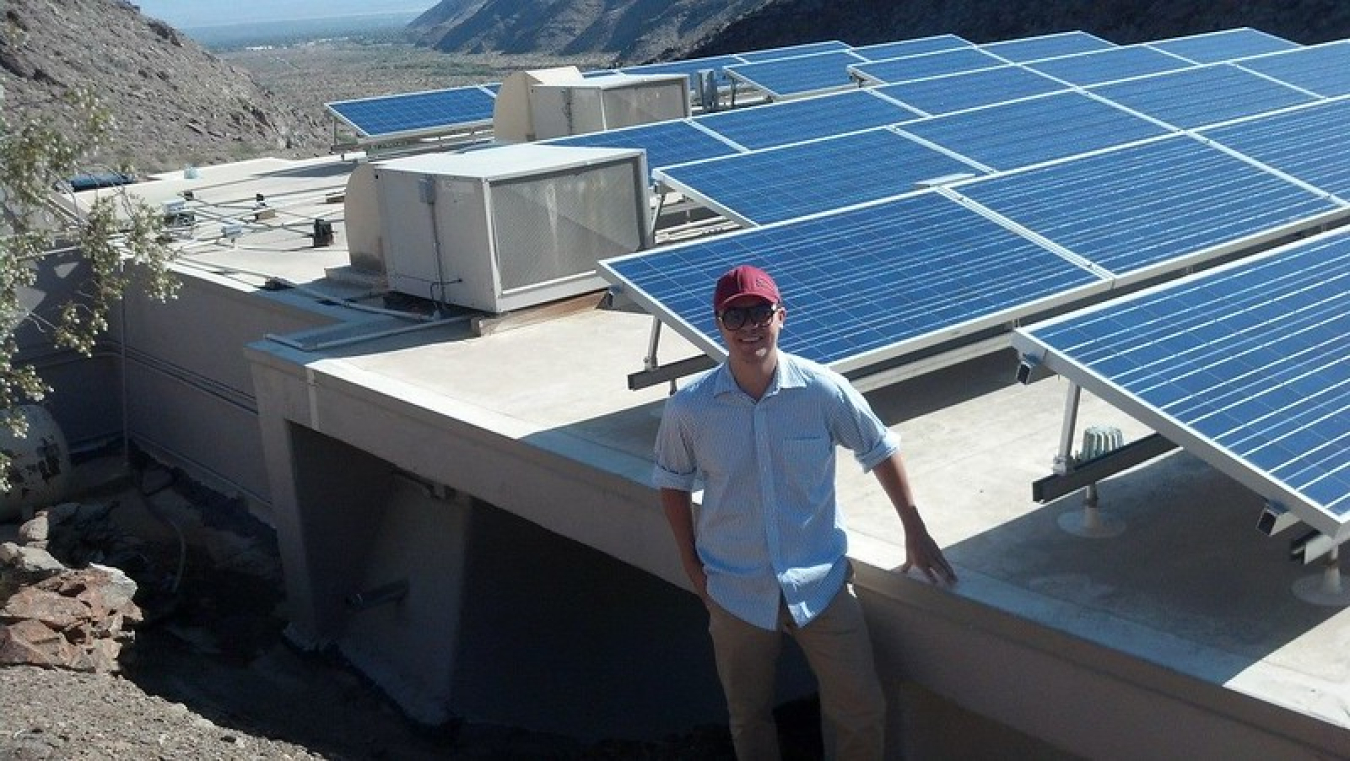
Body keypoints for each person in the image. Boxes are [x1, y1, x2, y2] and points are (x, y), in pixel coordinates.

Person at [653, 264, 957, 760]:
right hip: (735, 590)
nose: (750, 325)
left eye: (760, 312)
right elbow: (670, 482)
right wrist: (691, 566)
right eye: (736, 315)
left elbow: (879, 447)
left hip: (821, 583)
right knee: (748, 718)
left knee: (861, 711)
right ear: (719, 324)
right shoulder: (690, 409)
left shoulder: (822, 390)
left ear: (781, 316)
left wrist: (914, 529)